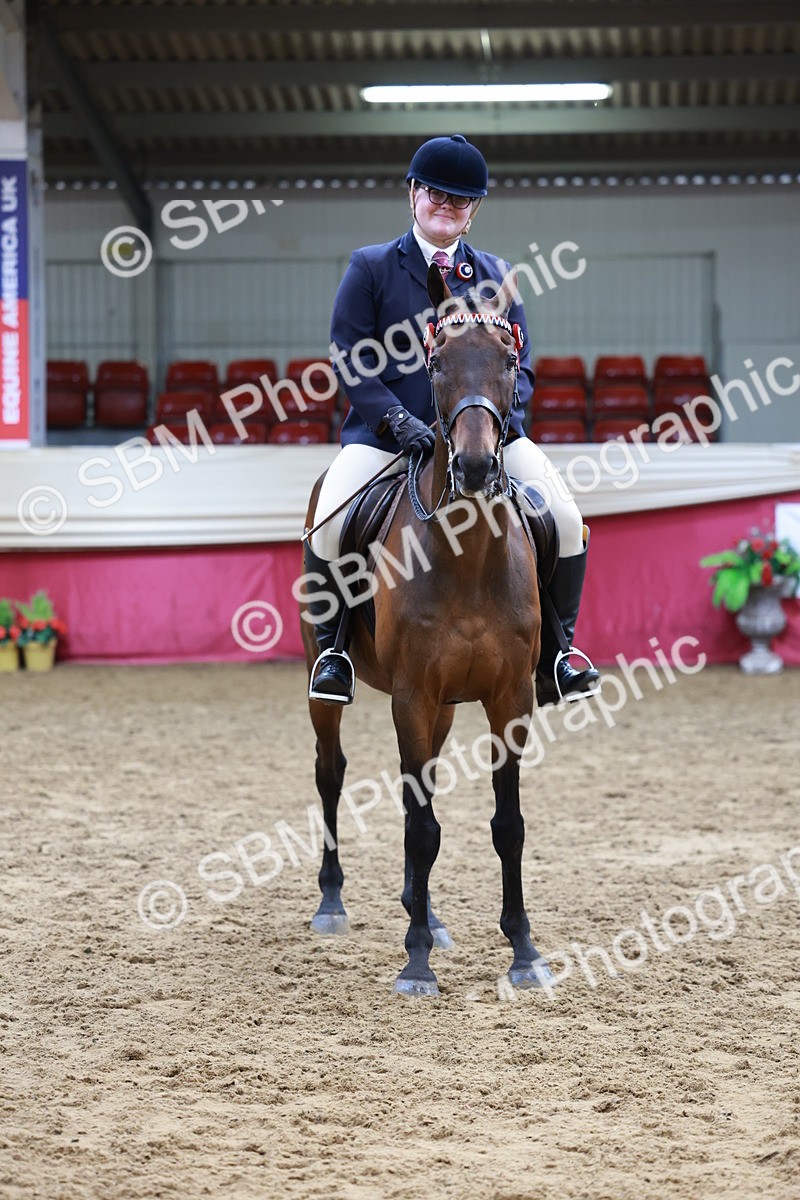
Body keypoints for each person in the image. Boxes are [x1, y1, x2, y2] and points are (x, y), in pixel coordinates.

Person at [306, 134, 600, 708]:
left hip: (481, 438)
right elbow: (350, 356)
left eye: (459, 200)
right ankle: (333, 650)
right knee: (330, 520)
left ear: (475, 209)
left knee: (564, 517)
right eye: (435, 194)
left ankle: (559, 653)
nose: (446, 206)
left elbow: (522, 366)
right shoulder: (371, 267)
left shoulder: (496, 275)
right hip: (387, 437)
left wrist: (492, 426)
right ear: (413, 194)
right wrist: (395, 419)